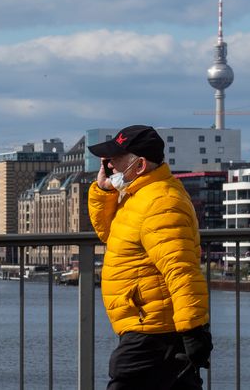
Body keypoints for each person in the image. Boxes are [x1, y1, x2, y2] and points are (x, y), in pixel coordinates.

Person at [87, 125, 212, 389]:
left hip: (155, 330)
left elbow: (181, 268)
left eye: (115, 161)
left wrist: (192, 330)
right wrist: (105, 190)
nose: (109, 166)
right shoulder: (137, 196)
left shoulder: (161, 202)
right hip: (147, 321)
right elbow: (109, 233)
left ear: (140, 165)